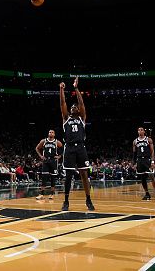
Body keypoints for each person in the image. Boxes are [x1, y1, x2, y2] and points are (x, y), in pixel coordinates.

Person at [59, 78, 94, 211]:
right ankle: (66, 201)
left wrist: (76, 88)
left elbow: (81, 103)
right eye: (72, 107)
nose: (73, 107)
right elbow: (62, 103)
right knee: (68, 176)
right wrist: (61, 89)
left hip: (81, 147)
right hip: (69, 148)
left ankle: (88, 199)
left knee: (84, 174)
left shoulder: (82, 118)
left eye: (75, 107)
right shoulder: (66, 119)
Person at [132, 127, 155, 201]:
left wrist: (153, 161)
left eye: (141, 130)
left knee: (151, 177)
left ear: (144, 131)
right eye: (138, 130)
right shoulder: (135, 141)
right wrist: (134, 163)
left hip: (147, 159)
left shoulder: (148, 140)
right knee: (142, 178)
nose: (140, 131)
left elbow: (152, 151)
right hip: (140, 160)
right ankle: (147, 194)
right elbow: (134, 153)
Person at [35, 129, 63, 200]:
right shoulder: (43, 141)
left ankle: (52, 194)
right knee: (44, 177)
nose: (51, 133)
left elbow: (63, 149)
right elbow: (37, 148)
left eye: (52, 132)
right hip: (46, 160)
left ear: (54, 134)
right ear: (48, 133)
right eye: (50, 132)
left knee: (53, 178)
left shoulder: (57, 142)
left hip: (54, 160)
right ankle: (41, 194)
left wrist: (59, 156)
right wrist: (41, 156)